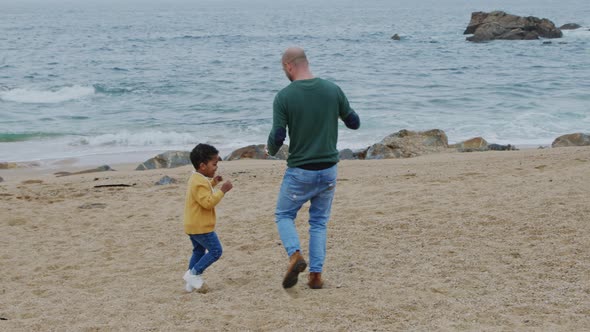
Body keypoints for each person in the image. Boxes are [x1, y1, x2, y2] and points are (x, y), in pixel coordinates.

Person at [267, 47, 360, 289]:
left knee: (283, 215)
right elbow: (354, 122)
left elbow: (278, 136)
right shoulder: (332, 89)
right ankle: (316, 276)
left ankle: (295, 255)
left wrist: (269, 150)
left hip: (301, 170)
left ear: (289, 66)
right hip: (329, 168)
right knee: (318, 222)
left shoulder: (284, 97)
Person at [182, 143, 233, 292]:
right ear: (202, 166)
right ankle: (194, 273)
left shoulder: (197, 178)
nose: (216, 167)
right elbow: (207, 202)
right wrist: (222, 191)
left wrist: (214, 182)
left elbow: (203, 191)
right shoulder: (199, 182)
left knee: (198, 251)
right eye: (214, 164)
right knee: (216, 251)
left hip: (192, 224)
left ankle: (190, 283)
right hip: (201, 226)